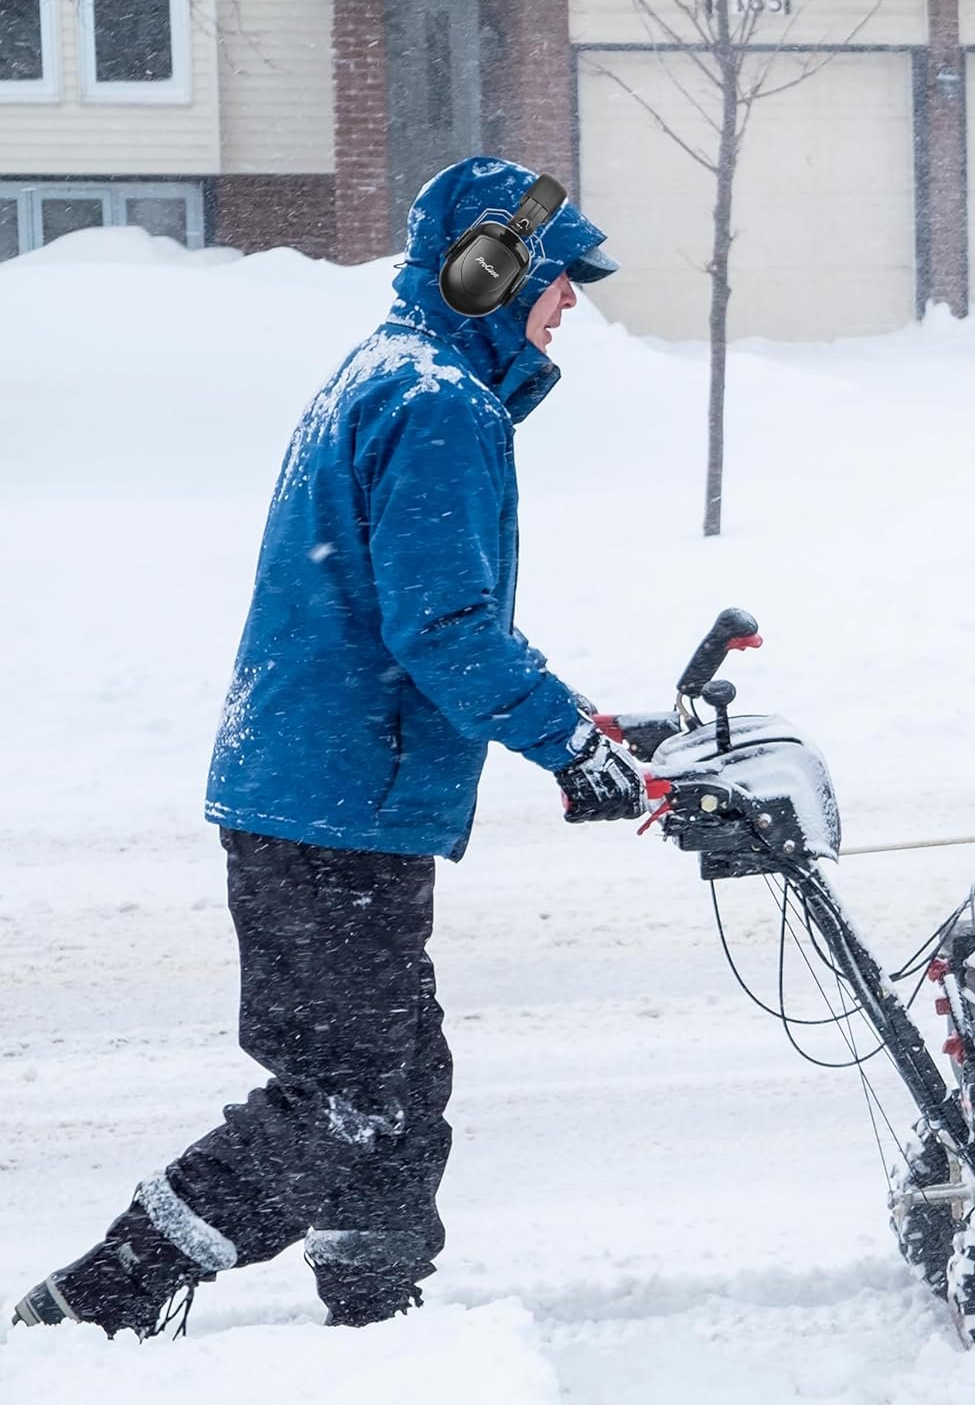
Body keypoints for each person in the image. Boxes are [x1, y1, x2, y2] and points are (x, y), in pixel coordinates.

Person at [12, 157, 644, 1338]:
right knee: (347, 1098)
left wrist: (580, 725)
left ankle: (372, 1314)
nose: (572, 307)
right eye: (561, 280)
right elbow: (445, 625)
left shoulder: (400, 375)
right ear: (487, 272)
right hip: (337, 802)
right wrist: (567, 744)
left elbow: (428, 613)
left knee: (400, 1083)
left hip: (327, 789)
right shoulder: (438, 403)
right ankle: (90, 1306)